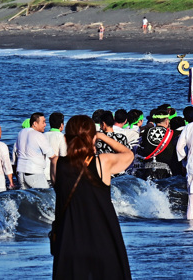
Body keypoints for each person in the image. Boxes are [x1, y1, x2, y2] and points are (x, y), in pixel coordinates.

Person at [51, 115, 133, 280]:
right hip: (103, 240)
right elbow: (128, 154)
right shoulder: (103, 162)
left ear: (66, 137)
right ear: (92, 137)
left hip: (69, 242)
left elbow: (59, 189)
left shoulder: (56, 163)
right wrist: (102, 136)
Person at [134, 106, 176, 180]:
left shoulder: (146, 132)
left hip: (147, 169)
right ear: (167, 121)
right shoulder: (172, 133)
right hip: (166, 171)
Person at [14, 112, 55, 188]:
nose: (45, 125)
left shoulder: (21, 133)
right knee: (45, 196)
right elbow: (52, 156)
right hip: (34, 173)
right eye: (43, 122)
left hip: (21, 173)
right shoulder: (39, 135)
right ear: (35, 123)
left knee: (25, 198)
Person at [45, 112, 68, 181]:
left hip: (42, 172)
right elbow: (63, 156)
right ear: (61, 125)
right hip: (55, 173)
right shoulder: (61, 137)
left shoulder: (43, 135)